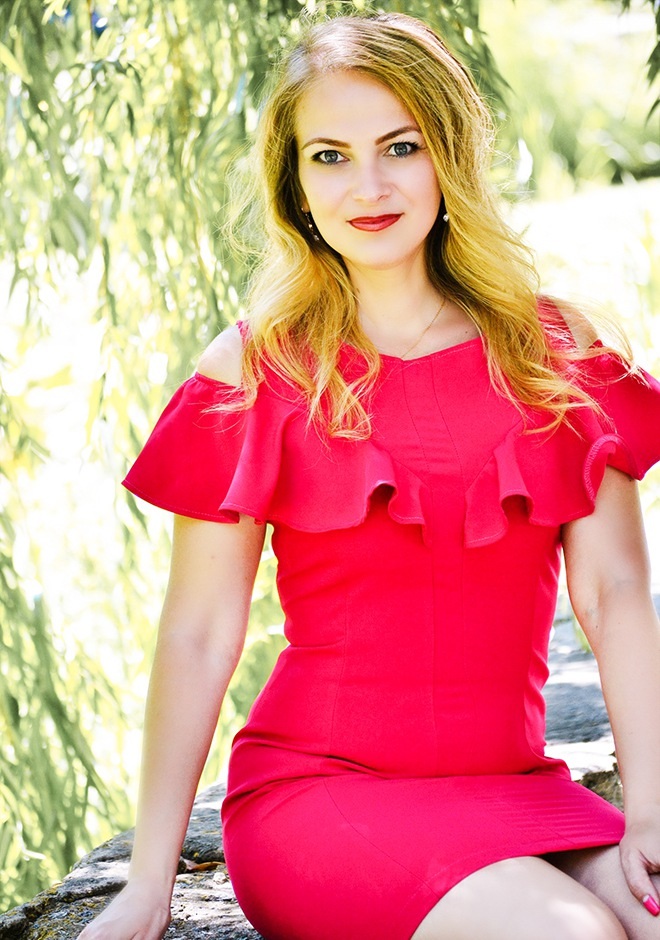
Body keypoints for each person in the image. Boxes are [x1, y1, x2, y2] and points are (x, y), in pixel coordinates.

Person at [78, 12, 660, 940]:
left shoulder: (555, 354)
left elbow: (617, 589)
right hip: (320, 798)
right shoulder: (255, 371)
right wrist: (149, 881)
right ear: (296, 184)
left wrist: (652, 808)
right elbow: (199, 633)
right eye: (331, 157)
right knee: (572, 935)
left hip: (512, 791)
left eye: (400, 146)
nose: (370, 186)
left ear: (449, 154)